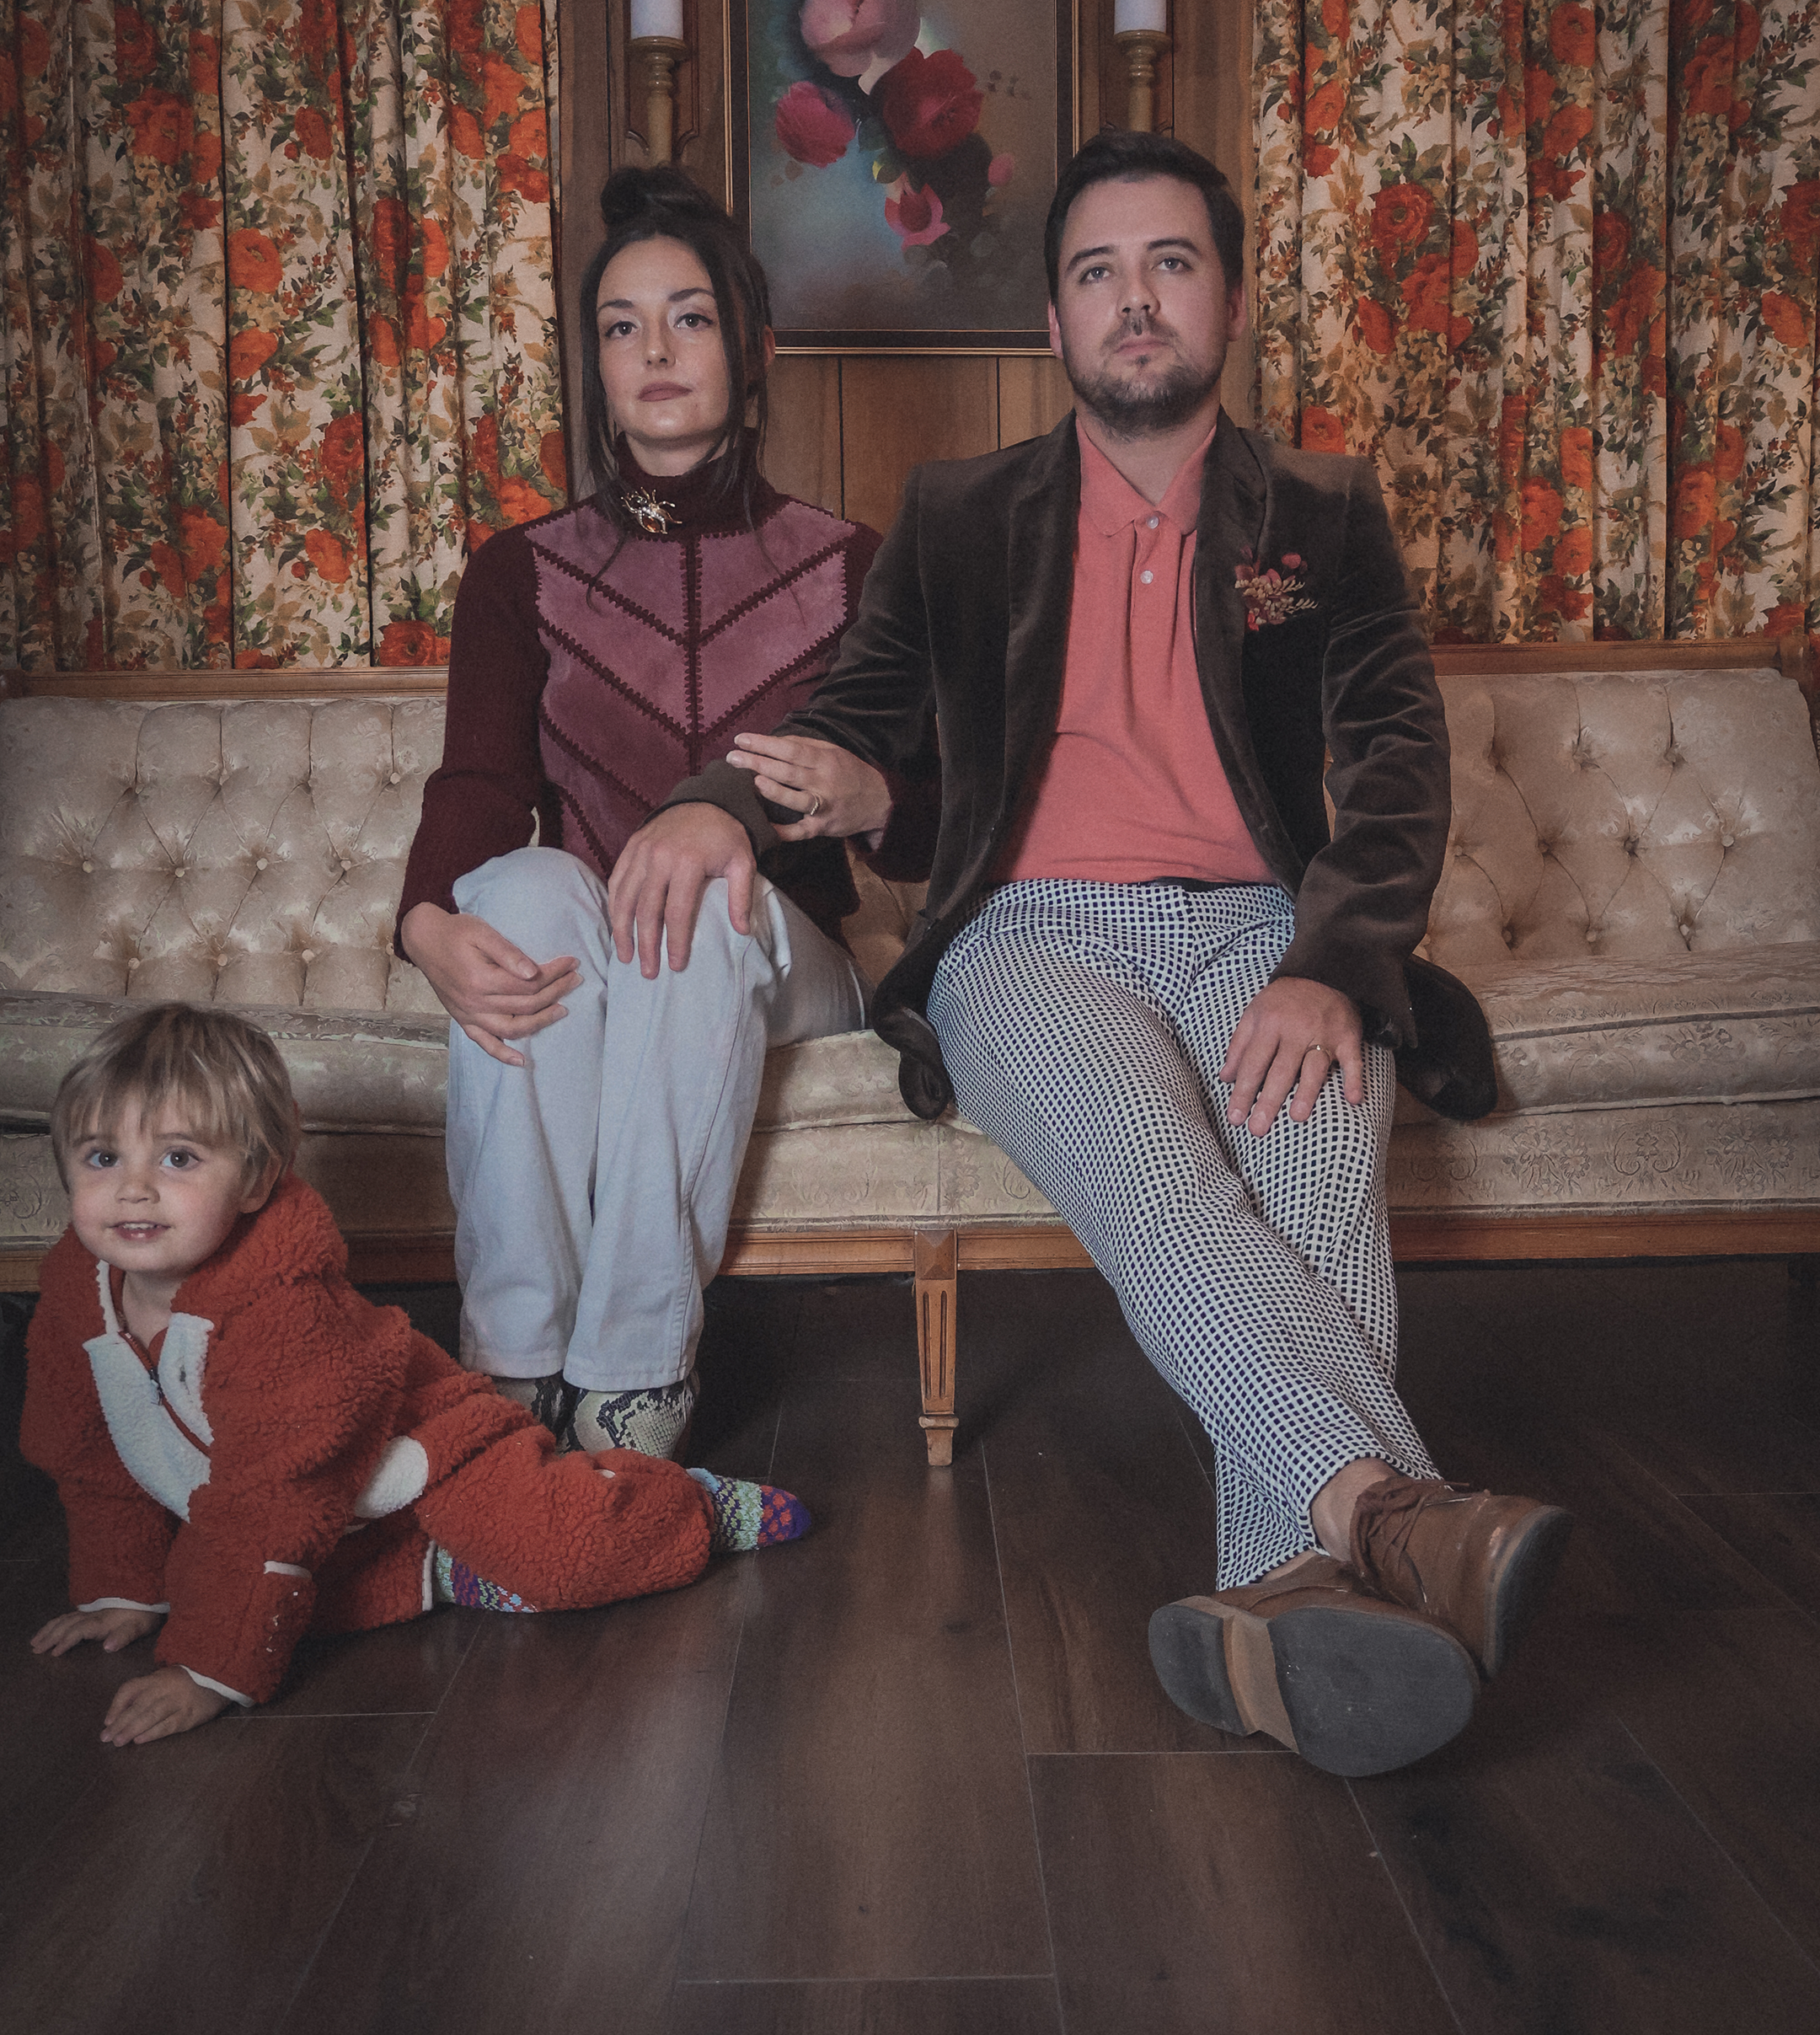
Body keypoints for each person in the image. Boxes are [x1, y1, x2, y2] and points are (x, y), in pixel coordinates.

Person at [615, 130, 1571, 1780]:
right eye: (1097, 270)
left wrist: (1334, 963)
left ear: (1234, 300)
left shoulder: (1325, 519)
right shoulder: (962, 513)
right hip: (1031, 936)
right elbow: (851, 711)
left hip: (1266, 933)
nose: (1134, 299)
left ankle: (1290, 1602)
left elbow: (1399, 763)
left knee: (1320, 1132)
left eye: (1172, 262)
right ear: (1053, 323)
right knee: (1158, 1167)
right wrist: (714, 805)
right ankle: (1396, 1516)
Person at [398, 168, 917, 1460]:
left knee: (700, 899)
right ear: (596, 363)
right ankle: (512, 1360)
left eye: (688, 317)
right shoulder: (519, 572)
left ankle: (634, 1375)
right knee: (513, 890)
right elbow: (478, 785)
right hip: (599, 943)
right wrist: (423, 925)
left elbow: (939, 825)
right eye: (622, 326)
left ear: (754, 347)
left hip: (782, 948)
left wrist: (872, 795)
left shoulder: (851, 564)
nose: (656, 350)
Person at [23, 1004, 809, 1747]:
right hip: (334, 1522)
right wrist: (126, 1588)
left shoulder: (281, 1306)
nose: (134, 1186)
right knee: (282, 1594)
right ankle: (443, 1568)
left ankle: (691, 1505)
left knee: (562, 1553)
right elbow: (91, 1454)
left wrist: (207, 1669)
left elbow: (272, 1498)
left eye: (178, 1156)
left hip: (431, 1459)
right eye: (102, 1156)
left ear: (256, 1179)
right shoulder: (78, 1297)